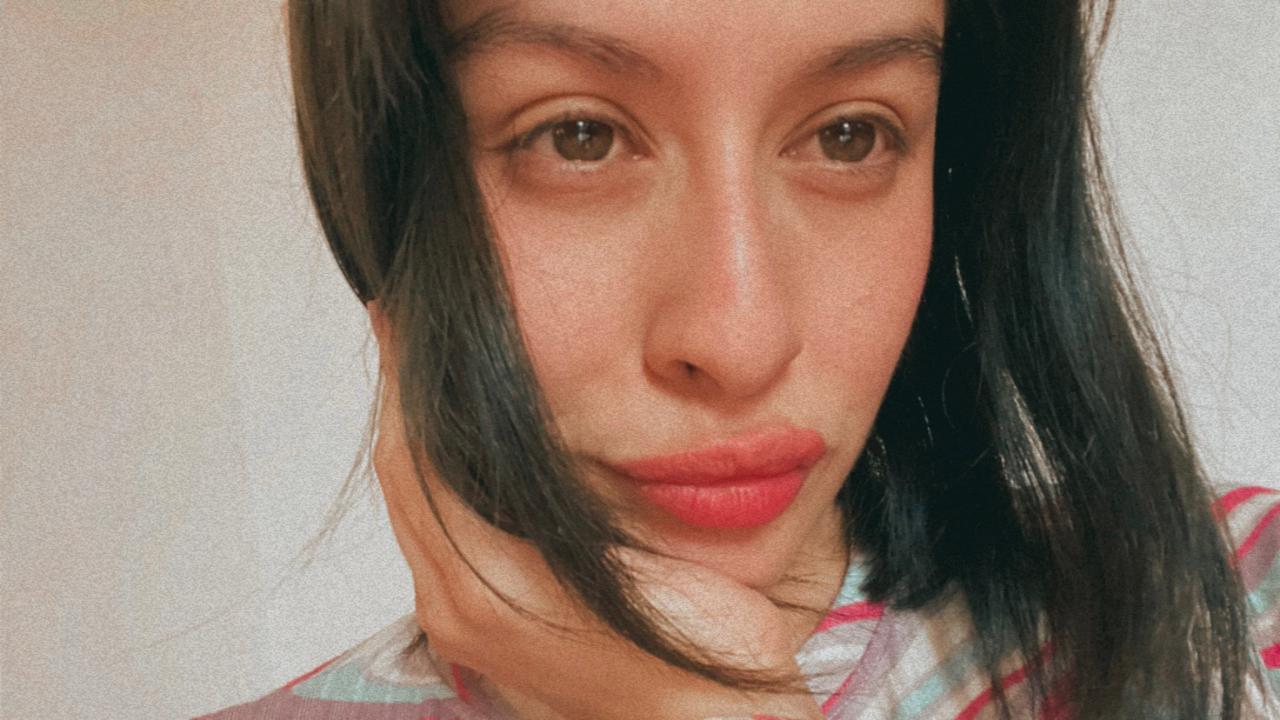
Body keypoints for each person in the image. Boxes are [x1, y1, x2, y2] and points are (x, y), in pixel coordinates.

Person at [201, 0, 1280, 718]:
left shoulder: (1236, 600)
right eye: (578, 136)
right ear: (383, 185)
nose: (738, 340)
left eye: (850, 134)